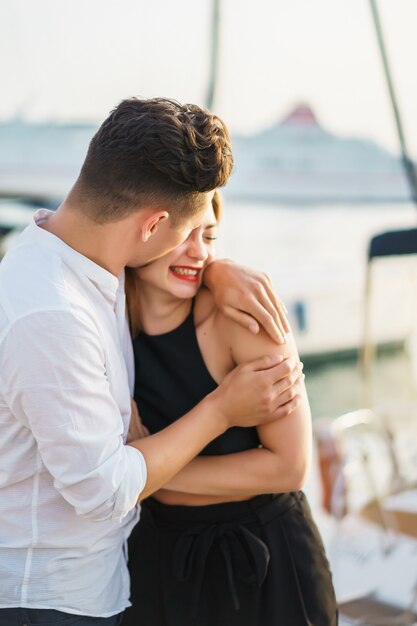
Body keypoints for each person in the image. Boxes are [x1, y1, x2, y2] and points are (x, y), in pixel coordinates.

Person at [0, 98, 301, 626]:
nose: (197, 250)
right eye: (187, 235)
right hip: (49, 601)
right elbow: (103, 491)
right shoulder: (53, 312)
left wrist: (222, 270)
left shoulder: (87, 259)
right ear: (153, 225)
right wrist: (222, 411)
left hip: (109, 579)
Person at [122, 191, 338, 626]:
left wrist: (150, 477)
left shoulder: (245, 316)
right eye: (186, 233)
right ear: (143, 230)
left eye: (211, 236)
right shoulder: (104, 324)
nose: (200, 252)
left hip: (269, 562)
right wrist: (138, 479)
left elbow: (290, 467)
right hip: (160, 561)